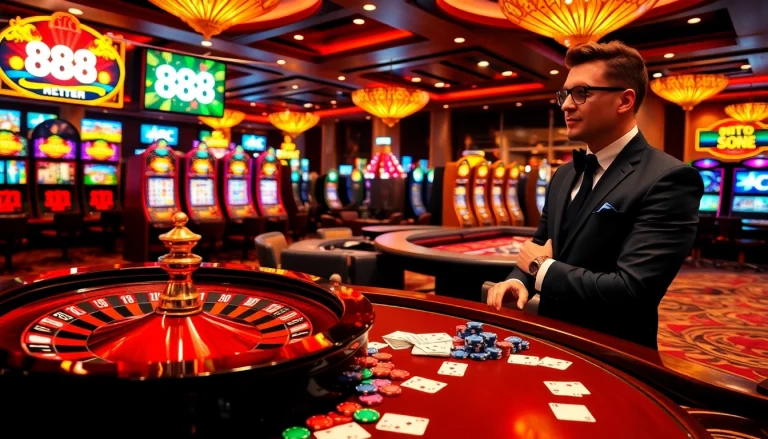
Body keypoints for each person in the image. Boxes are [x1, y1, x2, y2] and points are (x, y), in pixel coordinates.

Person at [486, 41, 704, 350]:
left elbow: (633, 289)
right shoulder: (562, 175)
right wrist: (517, 280)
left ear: (625, 100)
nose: (566, 106)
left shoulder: (670, 179)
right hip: (547, 338)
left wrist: (539, 269)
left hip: (614, 353)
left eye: (581, 93)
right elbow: (538, 248)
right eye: (564, 94)